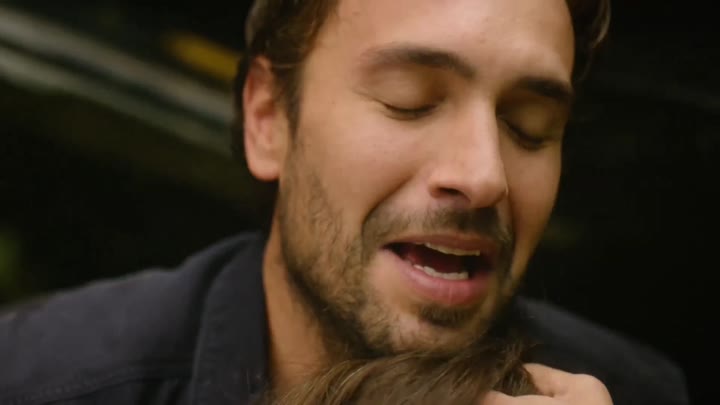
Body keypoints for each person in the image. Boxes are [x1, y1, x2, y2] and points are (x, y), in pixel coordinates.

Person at [0, 0, 690, 404]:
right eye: (410, 102)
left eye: (529, 127)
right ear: (269, 119)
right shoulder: (38, 383)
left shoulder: (636, 391)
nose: (485, 176)